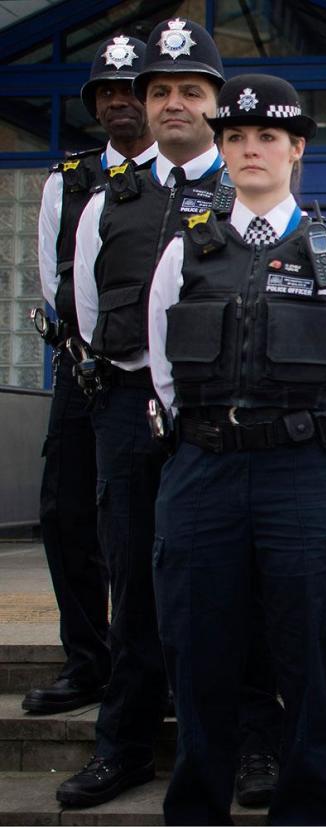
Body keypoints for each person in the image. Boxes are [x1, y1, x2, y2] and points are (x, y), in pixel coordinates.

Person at [145, 73, 326, 825]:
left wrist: (310, 441)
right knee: (198, 652)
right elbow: (162, 374)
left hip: (303, 479)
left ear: (296, 151)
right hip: (203, 475)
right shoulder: (185, 252)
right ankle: (196, 807)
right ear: (223, 151)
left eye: (267, 138)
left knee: (309, 656)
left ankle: (310, 808)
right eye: (237, 139)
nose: (251, 150)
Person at [63, 19, 282, 810]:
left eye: (193, 90)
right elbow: (91, 314)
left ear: (218, 106)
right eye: (161, 91)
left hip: (220, 425)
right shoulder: (106, 201)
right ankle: (123, 745)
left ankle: (253, 742)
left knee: (236, 586)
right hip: (128, 410)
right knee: (135, 583)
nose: (174, 104)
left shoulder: (248, 191)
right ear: (143, 105)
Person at [25, 35, 155, 718]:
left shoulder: (180, 183)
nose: (118, 101)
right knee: (65, 513)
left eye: (131, 89)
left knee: (143, 527)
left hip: (149, 380)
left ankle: (152, 664)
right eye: (106, 92)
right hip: (84, 370)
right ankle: (88, 659)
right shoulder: (67, 182)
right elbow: (58, 284)